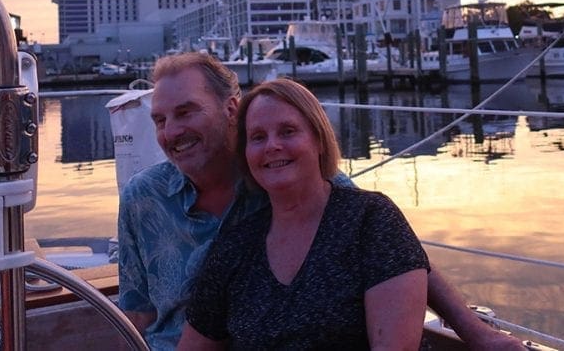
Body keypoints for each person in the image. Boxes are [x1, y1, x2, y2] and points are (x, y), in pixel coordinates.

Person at [118, 52, 521, 350]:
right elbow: (138, 312)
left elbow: (392, 250)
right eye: (160, 120)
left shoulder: (296, 182)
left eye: (186, 113)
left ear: (230, 110)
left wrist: (476, 331)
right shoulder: (142, 198)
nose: (171, 131)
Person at [178, 78, 429, 349]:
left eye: (287, 131)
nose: (272, 146)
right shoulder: (234, 247)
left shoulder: (371, 220)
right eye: (258, 137)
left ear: (319, 140)